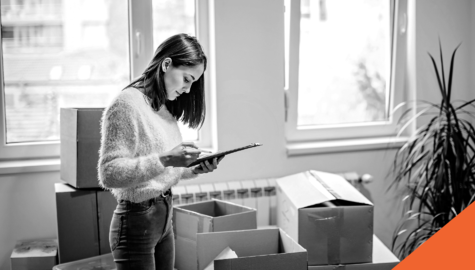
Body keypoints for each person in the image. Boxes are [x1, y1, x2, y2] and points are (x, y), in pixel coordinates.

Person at [98, 33, 221, 270]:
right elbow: (109, 173)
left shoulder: (161, 108)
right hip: (136, 221)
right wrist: (166, 158)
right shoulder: (126, 104)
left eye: (193, 82)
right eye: (187, 78)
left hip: (164, 218)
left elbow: (162, 170)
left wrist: (192, 167)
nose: (188, 89)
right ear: (166, 64)